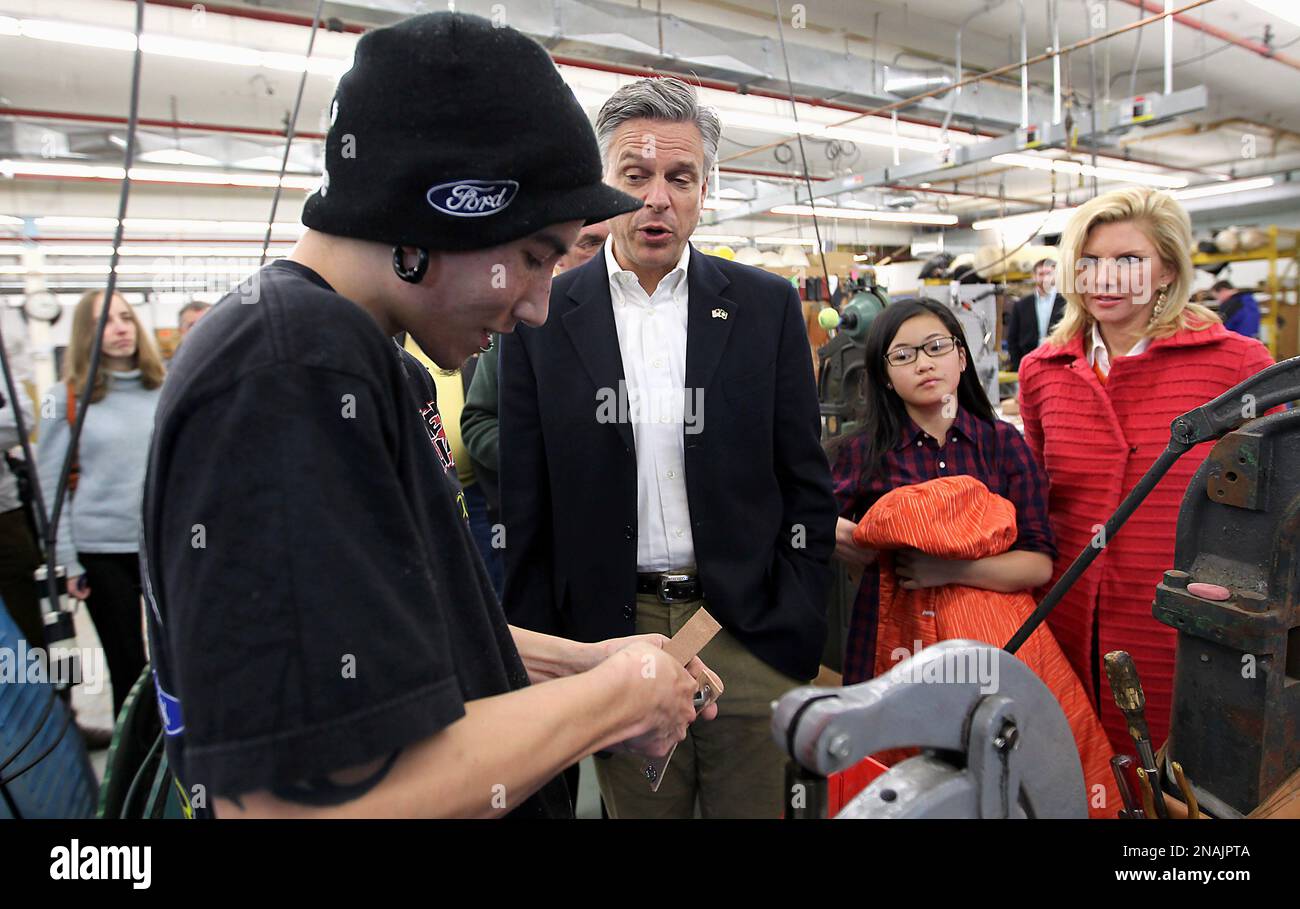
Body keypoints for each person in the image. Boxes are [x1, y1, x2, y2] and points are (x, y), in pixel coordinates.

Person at [141, 13, 718, 820]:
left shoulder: (367, 363)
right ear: (441, 216)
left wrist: (583, 664)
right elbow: (296, 804)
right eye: (533, 257)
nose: (540, 306)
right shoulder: (287, 373)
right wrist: (615, 702)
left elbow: (390, 642)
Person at [499, 75, 837, 819]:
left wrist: (797, 613)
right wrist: (543, 653)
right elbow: (523, 502)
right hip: (612, 634)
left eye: (679, 177)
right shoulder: (541, 316)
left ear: (703, 188)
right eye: (636, 174)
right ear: (601, 187)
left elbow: (805, 479)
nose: (658, 197)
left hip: (744, 624)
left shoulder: (765, 306)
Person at [1018, 188, 1274, 754]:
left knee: (1177, 781)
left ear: (1166, 270)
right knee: (1072, 767)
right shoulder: (1043, 370)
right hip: (1068, 615)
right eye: (1089, 262)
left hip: (1186, 621)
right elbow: (1036, 496)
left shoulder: (1236, 364)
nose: (1105, 278)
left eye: (1128, 260)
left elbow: (1275, 504)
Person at [828, 298, 1056, 684]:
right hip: (889, 641)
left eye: (937, 347)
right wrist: (843, 538)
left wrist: (949, 570)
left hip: (991, 640)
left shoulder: (1002, 445)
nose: (924, 363)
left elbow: (1038, 564)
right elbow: (799, 517)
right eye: (903, 355)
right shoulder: (860, 452)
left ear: (962, 358)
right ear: (884, 375)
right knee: (890, 740)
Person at [461, 220, 611, 596]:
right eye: (589, 243)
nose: (603, 257)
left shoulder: (648, 325)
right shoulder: (526, 323)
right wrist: (548, 458)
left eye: (611, 243)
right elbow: (479, 423)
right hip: (550, 535)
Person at [35, 290, 164, 718]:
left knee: (175, 656)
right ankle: (136, 767)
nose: (121, 328)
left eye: (126, 317)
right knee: (127, 663)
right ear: (86, 333)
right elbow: (51, 486)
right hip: (102, 551)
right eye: (106, 321)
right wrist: (67, 561)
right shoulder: (66, 397)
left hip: (162, 545)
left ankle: (179, 756)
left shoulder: (164, 388)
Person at [1005, 258, 1066, 371]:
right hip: (1030, 365)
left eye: (1049, 273)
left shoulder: (1067, 303)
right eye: (1041, 274)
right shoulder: (1021, 305)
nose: (1045, 278)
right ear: (1034, 276)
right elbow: (1012, 339)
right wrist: (1019, 366)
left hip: (1059, 364)